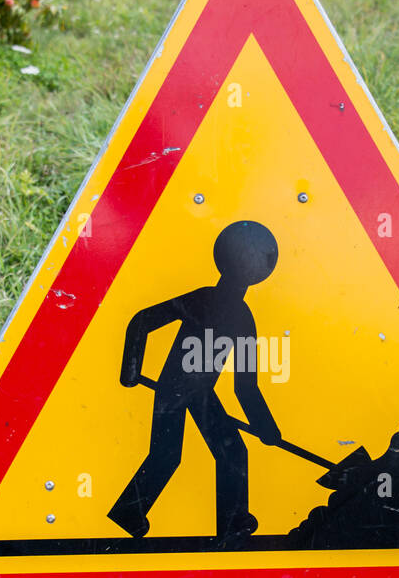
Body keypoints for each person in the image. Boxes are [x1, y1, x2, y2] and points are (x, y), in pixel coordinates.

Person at [108, 221, 281, 540]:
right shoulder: (204, 301)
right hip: (173, 389)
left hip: (201, 393)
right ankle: (131, 511)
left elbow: (245, 384)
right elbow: (143, 321)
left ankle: (228, 522)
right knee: (170, 455)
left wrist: (266, 426)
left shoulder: (243, 319)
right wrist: (130, 370)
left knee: (228, 453)